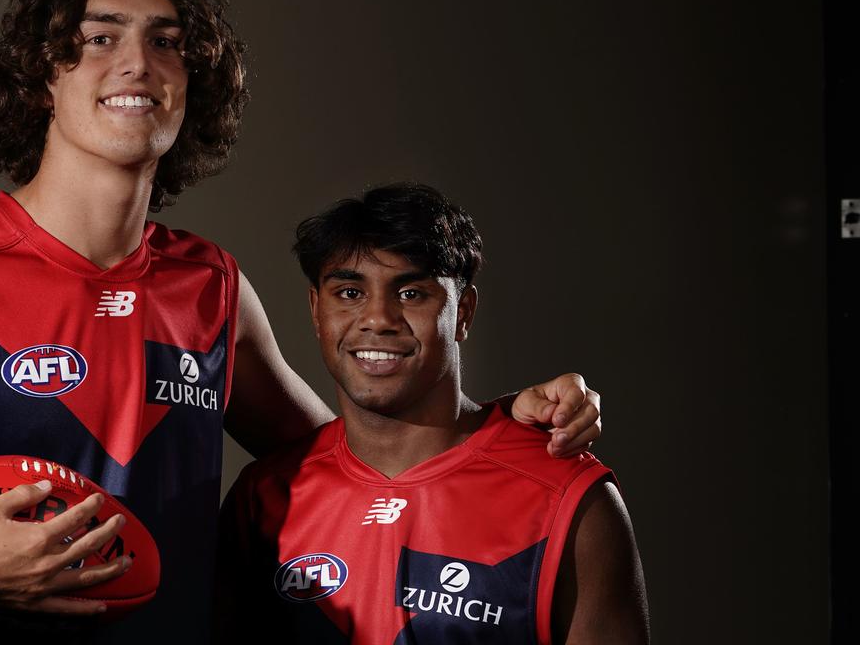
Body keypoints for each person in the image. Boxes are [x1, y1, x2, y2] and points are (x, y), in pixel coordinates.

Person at [0, 0, 604, 643]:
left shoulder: (209, 285)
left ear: (198, 80)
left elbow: (355, 463)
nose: (137, 63)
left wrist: (499, 424)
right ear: (43, 73)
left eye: (168, 41)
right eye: (101, 36)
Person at [216, 183, 648, 644]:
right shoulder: (263, 497)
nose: (378, 318)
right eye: (348, 292)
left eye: (411, 294)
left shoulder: (568, 498)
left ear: (463, 312)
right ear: (316, 311)